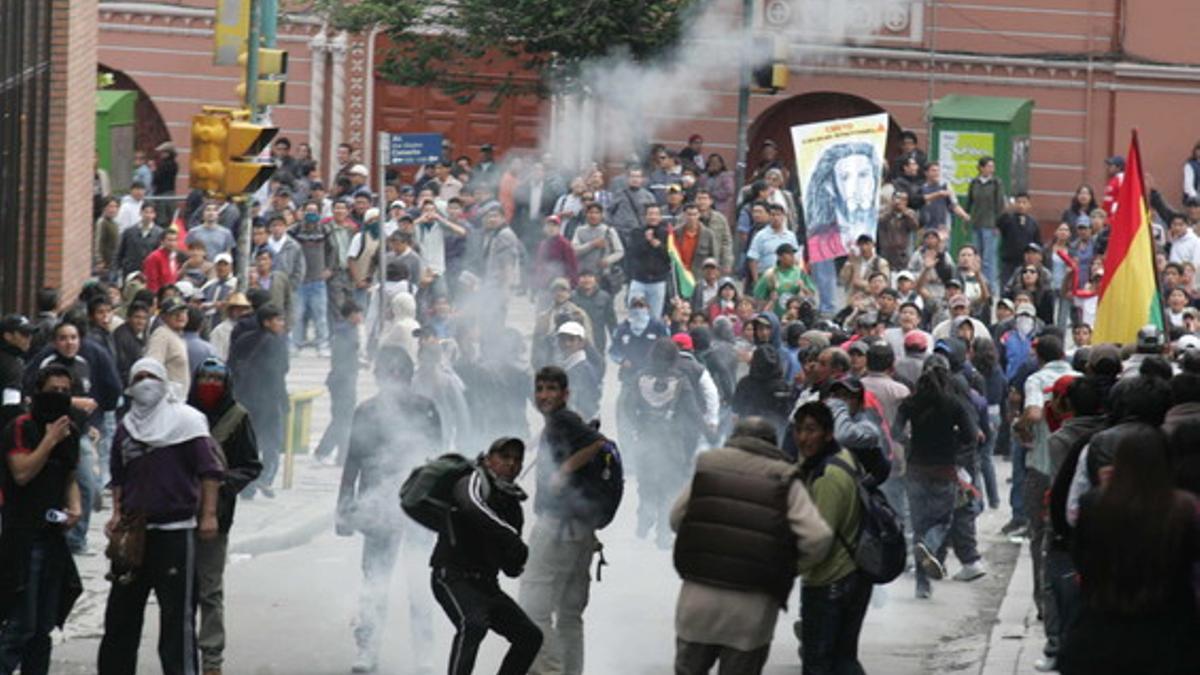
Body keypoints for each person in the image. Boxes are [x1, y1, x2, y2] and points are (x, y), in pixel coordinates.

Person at [671, 417, 833, 675]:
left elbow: (676, 518)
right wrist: (788, 565)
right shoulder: (784, 477)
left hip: (698, 601)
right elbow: (818, 537)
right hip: (752, 609)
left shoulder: (709, 466)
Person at [97, 357, 223, 675]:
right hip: (134, 534)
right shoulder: (127, 427)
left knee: (176, 619)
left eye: (151, 376)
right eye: (138, 377)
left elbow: (210, 473)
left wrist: (208, 515)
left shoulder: (188, 422)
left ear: (164, 380)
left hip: (176, 533)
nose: (145, 383)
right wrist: (116, 515)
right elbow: (118, 477)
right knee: (120, 618)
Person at [1058, 428, 1200, 675]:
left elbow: (1081, 560)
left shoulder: (1094, 504)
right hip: (1170, 635)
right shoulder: (1184, 509)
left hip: (1102, 630)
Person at [337, 346, 443, 673]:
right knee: (374, 582)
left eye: (399, 373)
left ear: (408, 376)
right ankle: (367, 649)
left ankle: (424, 656)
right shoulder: (366, 411)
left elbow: (437, 462)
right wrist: (344, 508)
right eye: (388, 373)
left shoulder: (426, 409)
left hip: (418, 511)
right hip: (376, 507)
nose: (393, 379)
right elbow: (352, 460)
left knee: (420, 584)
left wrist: (440, 511)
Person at [518, 366, 609, 675]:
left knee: (532, 608)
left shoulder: (564, 419)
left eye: (551, 389)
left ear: (565, 394)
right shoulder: (558, 423)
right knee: (570, 615)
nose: (544, 395)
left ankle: (548, 671)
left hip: (558, 528)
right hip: (580, 528)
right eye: (540, 388)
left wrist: (564, 470)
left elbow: (597, 442)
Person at [430, 437, 544, 675]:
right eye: (504, 457)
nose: (511, 464)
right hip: (452, 576)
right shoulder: (473, 480)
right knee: (472, 625)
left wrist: (520, 556)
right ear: (490, 459)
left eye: (517, 460)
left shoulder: (513, 505)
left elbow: (511, 569)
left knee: (530, 637)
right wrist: (508, 536)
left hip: (486, 585)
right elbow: (470, 505)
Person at [0, 365, 84, 675]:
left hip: (53, 536)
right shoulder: (21, 427)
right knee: (21, 624)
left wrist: (74, 508)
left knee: (44, 626)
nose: (59, 397)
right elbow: (22, 473)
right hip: (23, 535)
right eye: (53, 390)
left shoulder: (70, 430)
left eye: (65, 391)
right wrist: (48, 441)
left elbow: (69, 476)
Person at [186, 358, 262, 675]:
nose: (210, 386)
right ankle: (182, 653)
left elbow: (251, 465)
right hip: (178, 512)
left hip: (217, 516)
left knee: (210, 589)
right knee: (180, 591)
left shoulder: (237, 416)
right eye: (204, 379)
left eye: (217, 381)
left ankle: (212, 658)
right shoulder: (183, 416)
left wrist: (223, 482)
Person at [792, 401, 871, 675]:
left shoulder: (827, 476)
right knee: (843, 660)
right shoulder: (841, 458)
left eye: (811, 430)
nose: (803, 437)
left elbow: (818, 539)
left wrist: (786, 569)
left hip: (831, 583)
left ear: (828, 433)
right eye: (799, 430)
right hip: (850, 577)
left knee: (819, 663)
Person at [893, 356, 979, 599]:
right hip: (944, 470)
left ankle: (922, 584)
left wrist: (910, 445)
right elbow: (971, 436)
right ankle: (930, 546)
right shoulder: (953, 404)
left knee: (919, 523)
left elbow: (894, 431)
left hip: (916, 469)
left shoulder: (910, 403)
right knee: (942, 519)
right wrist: (956, 452)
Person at [228, 305, 289, 499]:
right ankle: (264, 477)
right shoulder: (276, 343)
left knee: (249, 443)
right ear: (266, 322)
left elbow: (232, 365)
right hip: (268, 400)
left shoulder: (244, 339)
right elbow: (279, 372)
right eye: (278, 320)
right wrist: (283, 400)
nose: (281, 324)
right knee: (272, 442)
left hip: (245, 398)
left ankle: (247, 485)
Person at [314, 301, 362, 466]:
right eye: (357, 313)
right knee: (342, 419)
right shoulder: (344, 333)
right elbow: (341, 359)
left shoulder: (349, 330)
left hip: (347, 379)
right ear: (350, 315)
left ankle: (341, 455)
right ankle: (325, 451)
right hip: (342, 381)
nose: (360, 317)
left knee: (344, 419)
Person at [144, 297, 191, 394]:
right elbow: (151, 367)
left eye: (183, 311)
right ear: (163, 317)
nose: (180, 315)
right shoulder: (162, 335)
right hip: (166, 400)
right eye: (174, 313)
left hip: (177, 401)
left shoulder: (176, 334)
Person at [0, 315, 35, 431]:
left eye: (31, 334)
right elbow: (11, 407)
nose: (29, 338)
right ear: (8, 336)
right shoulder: (12, 365)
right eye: (24, 334)